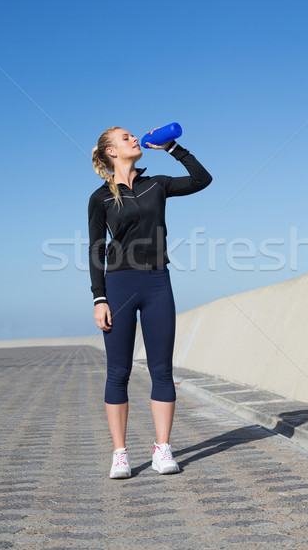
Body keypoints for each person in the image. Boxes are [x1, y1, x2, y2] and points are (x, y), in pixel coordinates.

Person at [88, 125, 212, 479]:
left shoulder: (157, 183)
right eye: (125, 137)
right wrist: (99, 298)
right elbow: (96, 249)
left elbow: (203, 179)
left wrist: (172, 147)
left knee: (161, 370)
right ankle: (120, 454)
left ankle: (162, 450)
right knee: (119, 373)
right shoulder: (100, 198)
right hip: (119, 285)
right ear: (111, 151)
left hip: (158, 281)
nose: (134, 139)